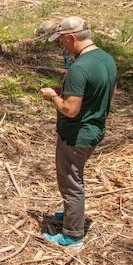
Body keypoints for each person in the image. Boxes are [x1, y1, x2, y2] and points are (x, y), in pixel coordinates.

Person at [40, 16, 117, 248]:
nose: (61, 45)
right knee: (75, 178)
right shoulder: (106, 59)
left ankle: (72, 235)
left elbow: (70, 110)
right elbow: (102, 94)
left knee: (71, 182)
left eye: (62, 40)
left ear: (72, 37)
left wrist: (53, 96)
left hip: (76, 135)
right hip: (94, 129)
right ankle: (72, 214)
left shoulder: (79, 68)